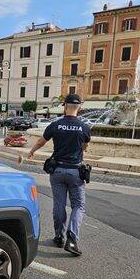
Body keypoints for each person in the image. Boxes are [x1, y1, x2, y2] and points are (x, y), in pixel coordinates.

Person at [26, 94, 90, 256]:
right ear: (79, 107)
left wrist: (32, 151)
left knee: (59, 204)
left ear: (64, 106)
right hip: (75, 171)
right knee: (78, 206)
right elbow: (85, 147)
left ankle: (58, 236)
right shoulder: (84, 127)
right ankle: (72, 239)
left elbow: (41, 141)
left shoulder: (56, 125)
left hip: (57, 171)